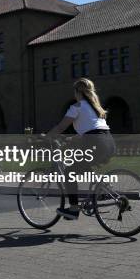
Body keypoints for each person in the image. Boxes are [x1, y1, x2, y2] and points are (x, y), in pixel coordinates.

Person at [46, 78, 116, 220]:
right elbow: (92, 130)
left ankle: (73, 209)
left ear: (78, 92)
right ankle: (104, 188)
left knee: (69, 171)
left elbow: (60, 127)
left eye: (74, 91)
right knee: (82, 164)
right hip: (109, 143)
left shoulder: (77, 107)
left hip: (95, 143)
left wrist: (46, 136)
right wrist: (70, 139)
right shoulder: (96, 108)